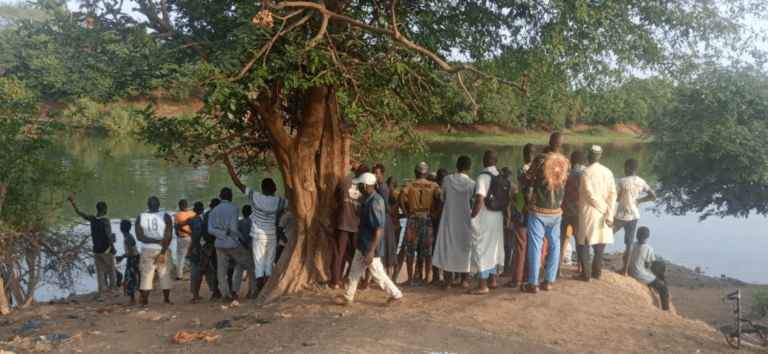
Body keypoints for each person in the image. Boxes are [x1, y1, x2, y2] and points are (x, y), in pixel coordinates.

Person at [333, 173, 404, 307]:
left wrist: (371, 250)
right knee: (355, 269)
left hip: (370, 247)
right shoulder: (370, 199)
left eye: (360, 185)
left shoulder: (374, 203)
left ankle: (397, 295)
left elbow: (378, 229)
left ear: (365, 186)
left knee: (378, 274)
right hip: (363, 244)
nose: (358, 187)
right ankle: (348, 296)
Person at [222, 156, 289, 293]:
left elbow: (238, 184)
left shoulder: (256, 196)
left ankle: (258, 290)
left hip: (258, 236)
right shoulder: (279, 201)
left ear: (262, 188)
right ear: (274, 189)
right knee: (269, 263)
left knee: (259, 263)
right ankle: (268, 289)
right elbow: (291, 201)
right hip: (271, 235)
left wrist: (229, 165)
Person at [520, 132, 570, 294]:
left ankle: (533, 283)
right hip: (556, 210)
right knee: (555, 245)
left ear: (550, 142)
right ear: (562, 145)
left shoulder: (541, 159)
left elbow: (526, 179)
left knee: (535, 245)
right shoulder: (566, 162)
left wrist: (536, 181)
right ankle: (548, 281)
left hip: (538, 209)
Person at [208, 187, 259, 301]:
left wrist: (221, 233)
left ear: (220, 197)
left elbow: (210, 230)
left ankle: (225, 294)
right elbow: (233, 229)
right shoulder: (234, 208)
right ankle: (253, 290)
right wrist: (241, 241)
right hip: (231, 243)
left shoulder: (213, 211)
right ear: (231, 197)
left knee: (221, 269)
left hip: (219, 244)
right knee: (249, 264)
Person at [574, 146, 617, 283]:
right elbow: (613, 194)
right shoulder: (608, 172)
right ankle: (597, 273)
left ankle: (586, 274)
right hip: (604, 212)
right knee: (600, 244)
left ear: (589, 157)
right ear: (600, 157)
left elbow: (589, 194)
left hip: (590, 213)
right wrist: (609, 211)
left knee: (585, 244)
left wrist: (605, 209)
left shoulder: (586, 172)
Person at [432, 156, 475, 291]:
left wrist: (435, 214)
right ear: (469, 167)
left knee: (448, 248)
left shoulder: (447, 180)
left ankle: (448, 282)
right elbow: (473, 202)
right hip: (465, 220)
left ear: (457, 165)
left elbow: (442, 200)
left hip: (449, 219)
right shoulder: (472, 184)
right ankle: (464, 281)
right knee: (464, 249)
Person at [467, 150, 505, 295]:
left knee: (481, 248)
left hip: (485, 217)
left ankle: (482, 285)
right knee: (493, 248)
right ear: (496, 161)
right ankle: (493, 280)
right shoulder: (500, 175)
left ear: (484, 160)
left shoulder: (483, 177)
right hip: (497, 216)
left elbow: (479, 200)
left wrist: (472, 216)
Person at [397, 162, 441, 286]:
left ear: (415, 172)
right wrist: (436, 212)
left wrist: (405, 212)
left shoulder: (409, 184)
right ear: (426, 174)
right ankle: (427, 278)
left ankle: (410, 279)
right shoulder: (433, 185)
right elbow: (443, 197)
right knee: (428, 250)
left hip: (413, 219)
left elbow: (400, 197)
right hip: (426, 219)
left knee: (410, 250)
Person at [67, 196, 117, 298]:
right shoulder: (105, 221)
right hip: (106, 250)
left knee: (100, 270)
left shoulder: (92, 218)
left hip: (96, 250)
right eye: (106, 209)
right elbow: (108, 237)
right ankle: (113, 289)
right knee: (111, 269)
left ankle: (102, 290)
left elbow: (79, 212)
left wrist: (73, 201)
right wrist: (113, 248)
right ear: (104, 210)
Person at [615, 158, 657, 276]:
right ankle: (624, 270)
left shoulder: (622, 181)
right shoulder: (641, 181)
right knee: (629, 242)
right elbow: (653, 196)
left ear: (627, 168)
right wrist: (640, 200)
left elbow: (613, 196)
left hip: (621, 215)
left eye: (625, 168)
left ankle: (596, 263)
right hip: (634, 216)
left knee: (606, 233)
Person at [503, 144, 537, 288]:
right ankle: (529, 275)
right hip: (536, 211)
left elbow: (525, 189)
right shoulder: (540, 169)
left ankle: (516, 278)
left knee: (520, 245)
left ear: (524, 154)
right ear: (535, 154)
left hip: (522, 211)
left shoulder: (522, 169)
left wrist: (526, 205)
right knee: (532, 244)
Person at [136, 196, 174, 307]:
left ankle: (145, 302)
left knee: (146, 275)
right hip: (162, 249)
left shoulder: (140, 217)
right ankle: (166, 300)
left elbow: (140, 237)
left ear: (148, 205)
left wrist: (155, 241)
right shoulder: (166, 217)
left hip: (147, 249)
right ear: (159, 204)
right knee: (164, 273)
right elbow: (168, 237)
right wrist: (162, 252)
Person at [177, 201, 216, 303]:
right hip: (204, 246)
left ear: (194, 210)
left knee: (196, 269)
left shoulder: (192, 220)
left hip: (195, 245)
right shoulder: (208, 218)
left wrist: (189, 233)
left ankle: (196, 294)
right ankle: (214, 292)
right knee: (208, 269)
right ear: (203, 209)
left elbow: (178, 226)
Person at [559, 151, 587, 277]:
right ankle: (580, 268)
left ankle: (558, 269)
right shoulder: (583, 176)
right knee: (578, 239)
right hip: (577, 211)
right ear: (582, 162)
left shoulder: (565, 174)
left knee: (561, 239)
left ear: (571, 159)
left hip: (564, 210)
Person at [628, 227, 670, 311]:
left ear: (637, 235)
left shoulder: (633, 244)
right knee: (663, 287)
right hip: (639, 273)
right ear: (648, 236)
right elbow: (648, 266)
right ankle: (666, 309)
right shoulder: (648, 248)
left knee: (661, 263)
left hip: (631, 270)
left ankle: (659, 282)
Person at [372, 164, 398, 276]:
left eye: (376, 173)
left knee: (387, 247)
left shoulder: (382, 187)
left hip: (384, 219)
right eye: (373, 172)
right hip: (383, 218)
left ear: (382, 174)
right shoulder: (378, 186)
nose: (374, 175)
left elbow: (386, 205)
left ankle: (389, 278)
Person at [430, 168, 449, 285]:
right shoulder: (449, 190)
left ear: (437, 178)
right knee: (447, 249)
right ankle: (449, 276)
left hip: (437, 223)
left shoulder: (436, 191)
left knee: (435, 250)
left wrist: (434, 214)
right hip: (447, 224)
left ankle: (436, 276)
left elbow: (433, 208)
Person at [115, 220, 140, 306]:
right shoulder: (129, 236)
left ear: (121, 228)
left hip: (133, 260)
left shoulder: (128, 239)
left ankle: (133, 300)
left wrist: (122, 256)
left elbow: (132, 253)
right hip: (135, 259)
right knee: (135, 278)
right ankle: (140, 298)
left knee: (129, 279)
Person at [232, 205, 255, 297]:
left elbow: (236, 234)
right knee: (251, 269)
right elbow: (252, 235)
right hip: (249, 246)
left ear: (242, 212)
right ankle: (250, 290)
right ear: (251, 213)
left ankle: (235, 290)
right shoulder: (252, 222)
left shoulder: (238, 222)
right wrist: (247, 241)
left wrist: (242, 241)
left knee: (239, 268)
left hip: (240, 246)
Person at [500, 166, 517, 276]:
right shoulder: (516, 187)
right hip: (512, 220)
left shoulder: (501, 186)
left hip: (501, 220)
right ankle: (507, 267)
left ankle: (499, 268)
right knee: (509, 245)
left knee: (501, 244)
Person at [173, 199, 195, 281]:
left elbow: (176, 229)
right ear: (187, 205)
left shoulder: (177, 216)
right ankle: (193, 273)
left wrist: (178, 235)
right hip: (193, 238)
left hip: (182, 238)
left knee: (181, 257)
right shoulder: (193, 214)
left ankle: (179, 275)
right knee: (193, 256)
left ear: (181, 206)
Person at [387, 176, 403, 280]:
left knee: (393, 251)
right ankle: (387, 276)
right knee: (385, 251)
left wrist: (398, 216)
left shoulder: (398, 196)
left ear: (396, 186)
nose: (390, 186)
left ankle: (394, 275)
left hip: (395, 227)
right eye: (388, 184)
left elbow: (408, 210)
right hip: (385, 227)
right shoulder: (382, 194)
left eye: (392, 185)